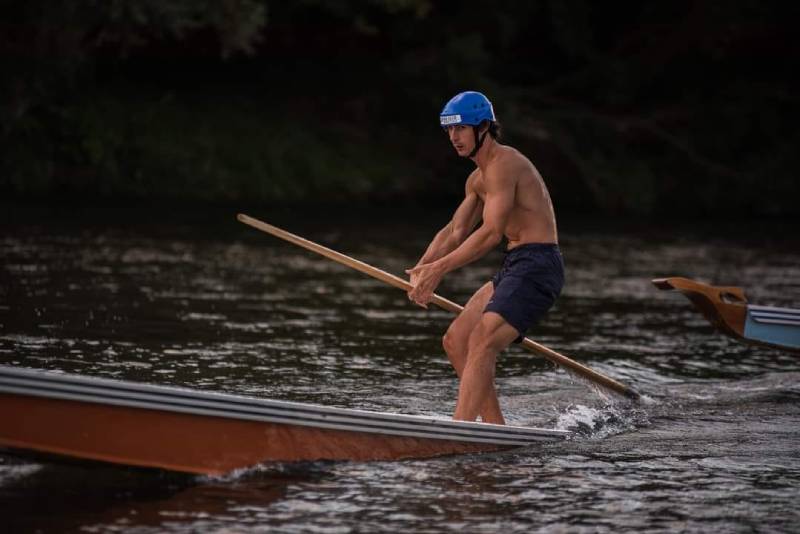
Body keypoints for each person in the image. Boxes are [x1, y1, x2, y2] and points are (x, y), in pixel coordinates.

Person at [405, 91, 564, 425]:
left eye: (460, 129)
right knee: (456, 340)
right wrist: (421, 268)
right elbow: (454, 231)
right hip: (514, 266)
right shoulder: (477, 180)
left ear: (483, 127)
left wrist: (440, 269)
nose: (453, 138)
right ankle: (494, 430)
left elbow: (491, 233)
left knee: (482, 338)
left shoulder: (506, 164)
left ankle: (459, 428)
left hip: (538, 266)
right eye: (449, 131)